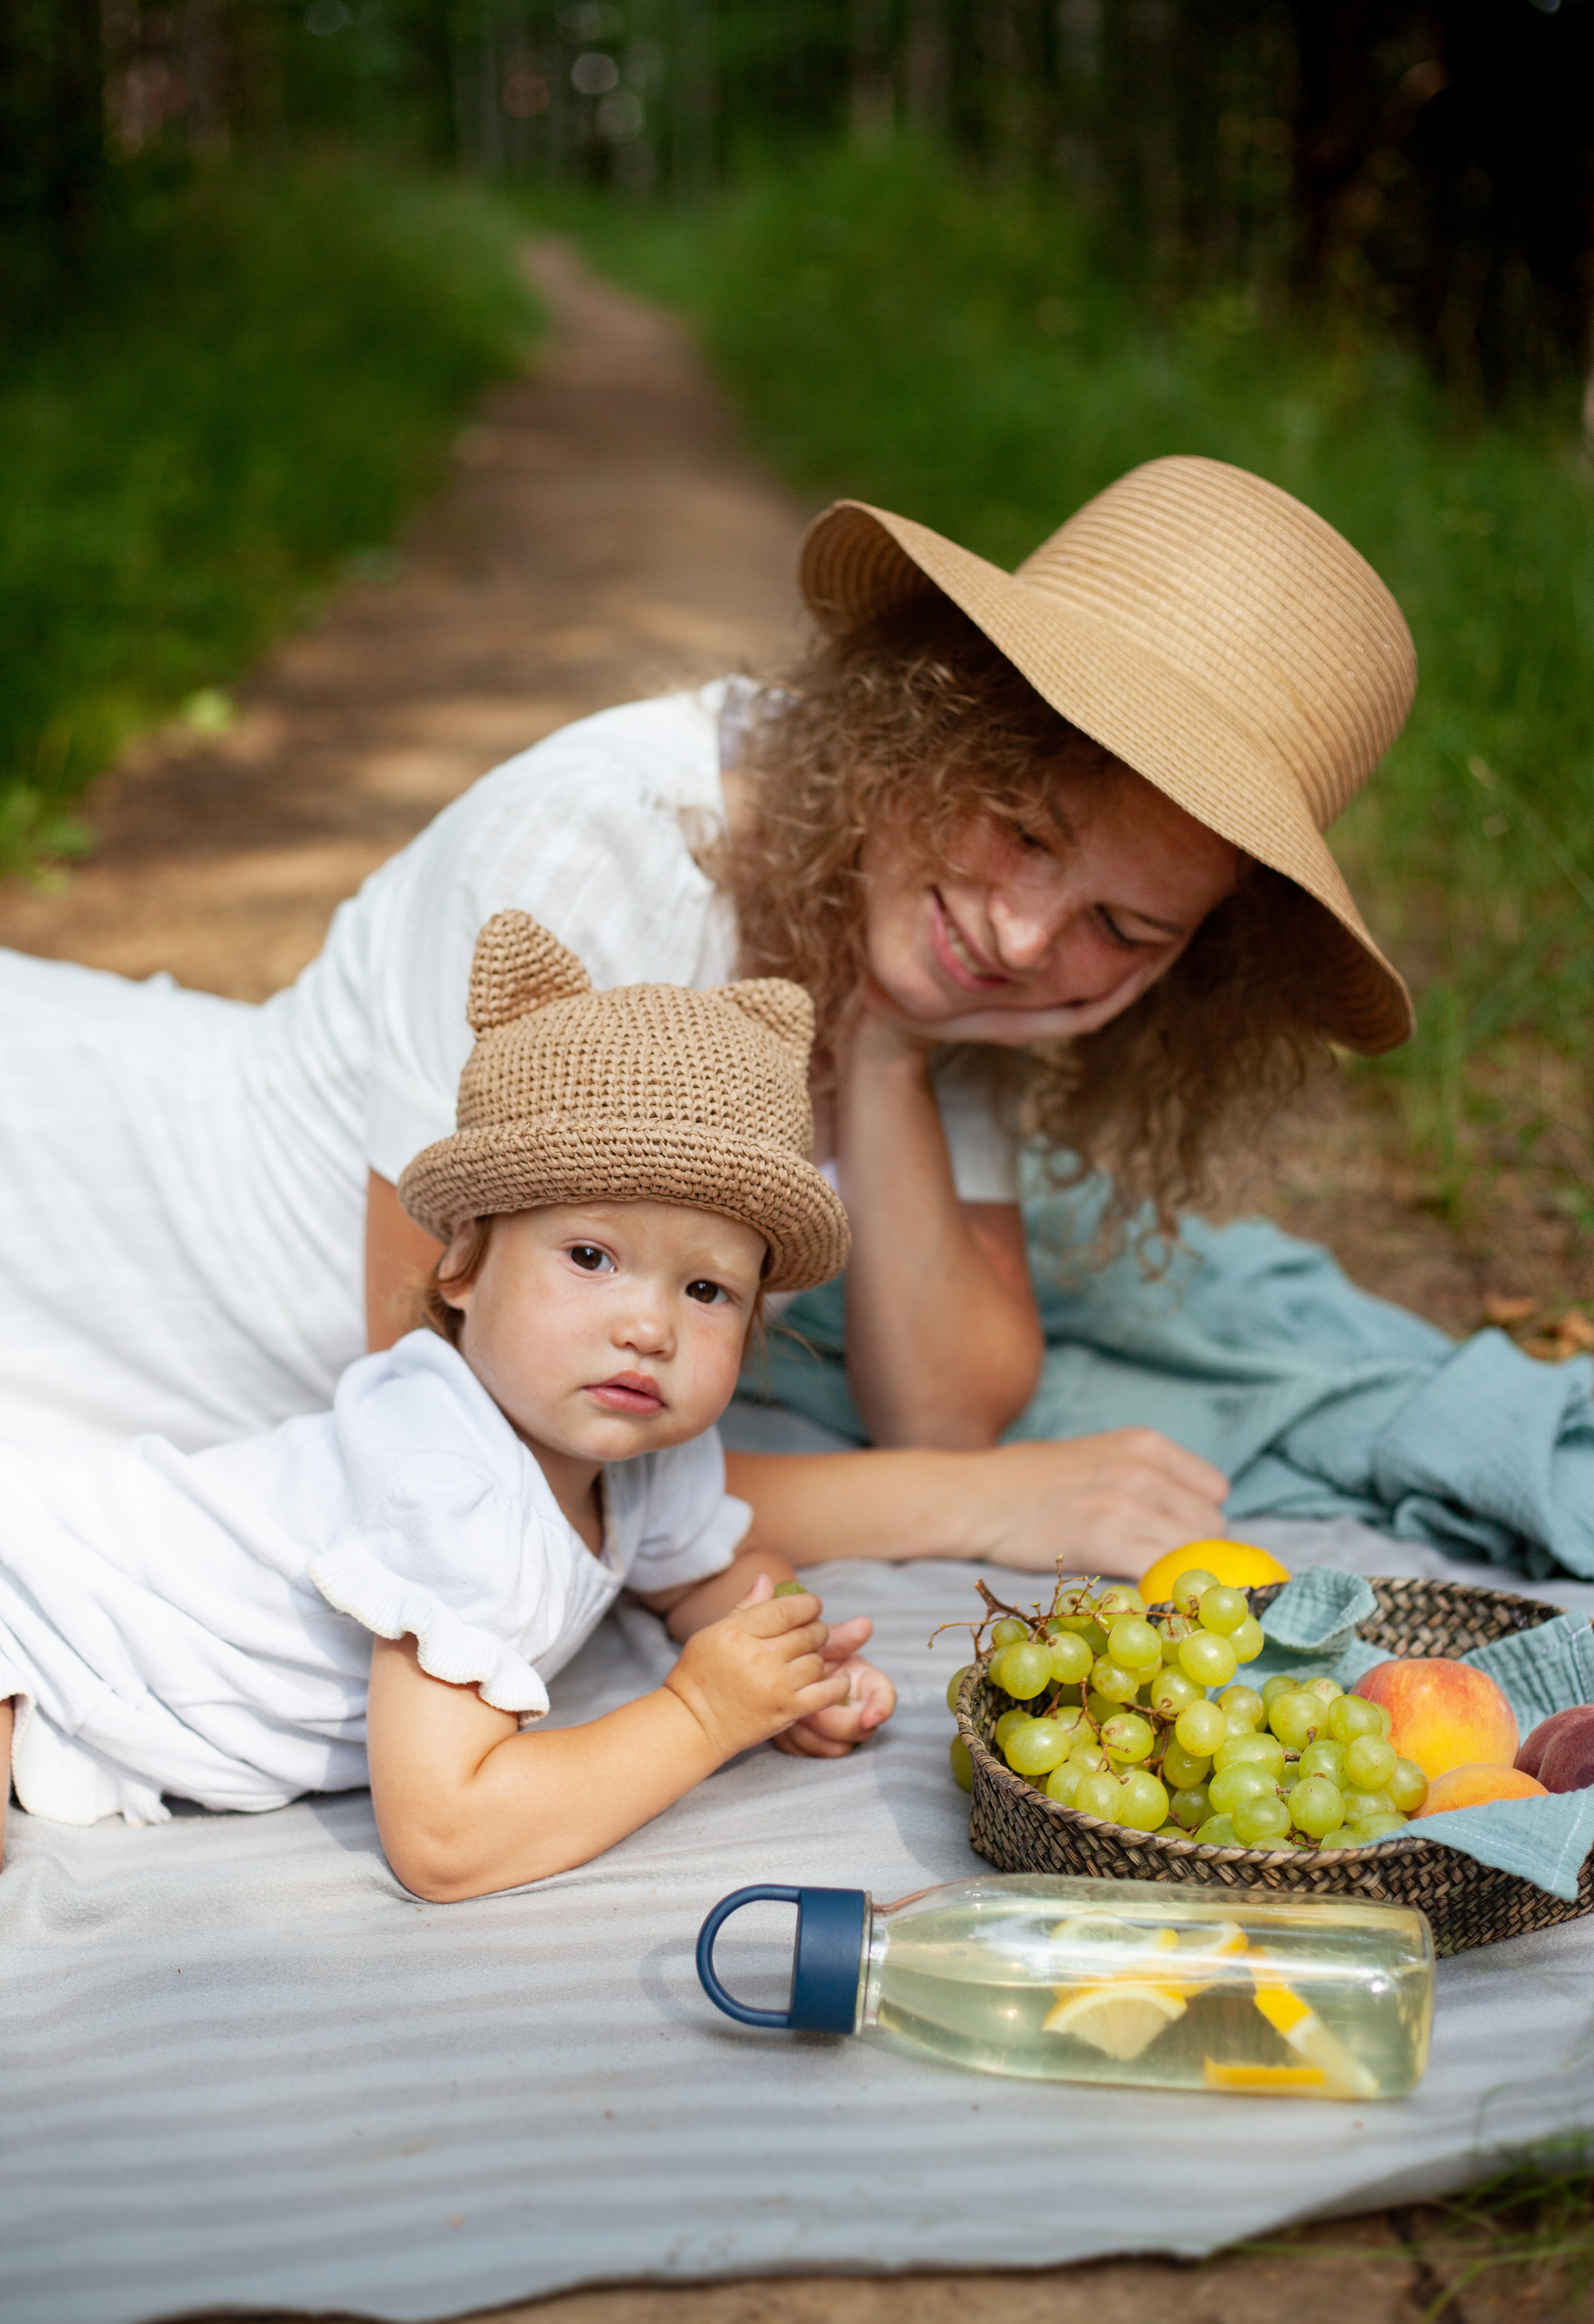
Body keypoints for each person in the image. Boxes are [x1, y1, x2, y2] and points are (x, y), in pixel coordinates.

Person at [0, 456, 1416, 1583]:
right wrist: (965, 1508)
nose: (1025, 934)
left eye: (1127, 928)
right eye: (1020, 830)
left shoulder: (938, 944)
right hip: (66, 1225)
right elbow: (459, 1436)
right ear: (930, 725)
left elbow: (945, 1398)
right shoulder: (604, 847)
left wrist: (888, 1044)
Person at [0, 915, 897, 1898]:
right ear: (464, 1263)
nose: (651, 1329)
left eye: (707, 1291)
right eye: (592, 1258)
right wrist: (699, 1714)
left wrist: (784, 1667)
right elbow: (447, 1837)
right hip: (42, 1596)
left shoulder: (647, 1441)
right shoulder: (451, 1487)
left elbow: (707, 1575)